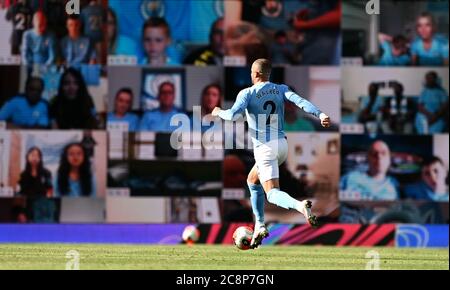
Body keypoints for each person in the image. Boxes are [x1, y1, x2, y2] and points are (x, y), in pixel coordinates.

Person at [212, 59, 330, 248]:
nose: (250, 75)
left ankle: (300, 206)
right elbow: (300, 102)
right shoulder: (281, 88)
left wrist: (218, 112)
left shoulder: (247, 93)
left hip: (265, 148)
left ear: (256, 74)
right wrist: (321, 114)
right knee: (252, 180)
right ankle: (259, 225)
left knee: (272, 194)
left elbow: (232, 116)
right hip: (282, 146)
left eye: (251, 72)